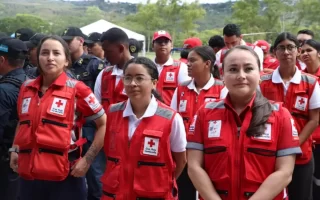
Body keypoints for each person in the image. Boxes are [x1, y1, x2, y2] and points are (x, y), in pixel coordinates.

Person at [187, 45, 302, 200]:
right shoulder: (204, 114)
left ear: (260, 74)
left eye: (248, 69)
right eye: (233, 70)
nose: (241, 76)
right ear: (222, 75)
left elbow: (285, 172)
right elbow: (194, 167)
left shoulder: (281, 115)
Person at [9, 35, 106, 200]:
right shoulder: (26, 88)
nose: (50, 58)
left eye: (56, 53)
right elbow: (23, 122)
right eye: (45, 53)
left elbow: (103, 124)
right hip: (29, 176)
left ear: (66, 60)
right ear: (38, 58)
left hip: (66, 177)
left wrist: (87, 160)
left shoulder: (78, 89)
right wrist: (15, 149)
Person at [101, 57, 187, 199]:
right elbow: (110, 153)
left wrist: (160, 181)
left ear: (154, 83)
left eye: (139, 78)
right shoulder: (112, 112)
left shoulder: (171, 118)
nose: (132, 83)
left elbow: (181, 160)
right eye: (127, 78)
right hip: (116, 194)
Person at [260, 32, 320, 200]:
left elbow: (314, 119)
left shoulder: (311, 82)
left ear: (298, 51)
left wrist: (293, 145)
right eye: (281, 48)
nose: (286, 52)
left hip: (302, 154)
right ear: (274, 52)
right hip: (270, 154)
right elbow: (257, 117)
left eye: (290, 47)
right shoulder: (263, 82)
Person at [171, 46, 225, 200]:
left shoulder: (221, 89)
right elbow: (172, 121)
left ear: (207, 64)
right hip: (185, 154)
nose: (188, 64)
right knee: (184, 193)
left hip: (211, 155)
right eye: (188, 60)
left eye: (193, 60)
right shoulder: (181, 88)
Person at [62, 27, 106, 200]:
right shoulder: (62, 66)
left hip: (91, 127)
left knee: (95, 175)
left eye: (68, 40)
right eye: (63, 41)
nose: (65, 44)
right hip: (71, 130)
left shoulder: (94, 64)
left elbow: (101, 95)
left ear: (80, 41)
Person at [0, 38, 28, 200]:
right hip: (24, 157)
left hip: (5, 161)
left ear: (2, 60)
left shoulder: (4, 90)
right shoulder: (31, 82)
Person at [300, 39, 320, 199]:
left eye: (309, 50)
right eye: (302, 51)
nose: (305, 54)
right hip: (306, 140)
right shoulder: (301, 78)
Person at [94, 27, 132, 110]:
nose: (104, 56)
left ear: (121, 48)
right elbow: (97, 110)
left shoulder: (142, 73)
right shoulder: (103, 75)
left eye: (108, 51)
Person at [152, 30, 191, 105]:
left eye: (166, 42)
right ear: (153, 46)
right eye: (159, 42)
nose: (163, 44)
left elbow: (185, 93)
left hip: (170, 113)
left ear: (171, 45)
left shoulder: (181, 67)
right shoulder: (146, 66)